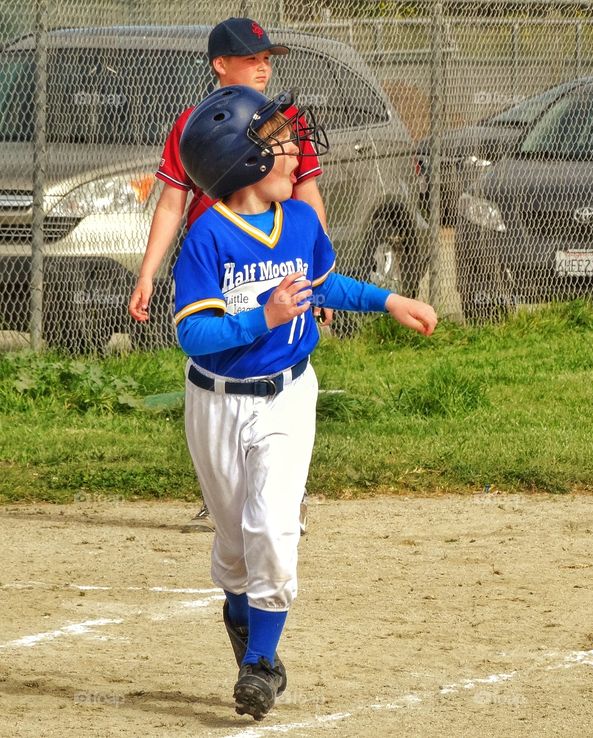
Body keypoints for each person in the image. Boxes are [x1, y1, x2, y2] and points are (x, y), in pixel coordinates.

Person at [174, 84, 436, 720]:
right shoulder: (208, 237)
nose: (294, 152)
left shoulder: (300, 221)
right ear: (240, 159)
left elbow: (323, 284)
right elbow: (194, 334)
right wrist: (261, 317)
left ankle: (262, 663)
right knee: (234, 546)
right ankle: (243, 618)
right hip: (216, 404)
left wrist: (387, 300)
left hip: (287, 395)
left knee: (273, 525)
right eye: (279, 143)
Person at [127, 17, 330, 533]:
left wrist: (321, 274)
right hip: (218, 266)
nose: (263, 68)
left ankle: (284, 492)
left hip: (276, 262)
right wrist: (148, 272)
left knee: (281, 368)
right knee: (218, 365)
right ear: (220, 64)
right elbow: (172, 201)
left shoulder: (283, 123)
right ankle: (226, 492)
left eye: (267, 59)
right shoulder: (194, 125)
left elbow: (307, 193)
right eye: (251, 58)